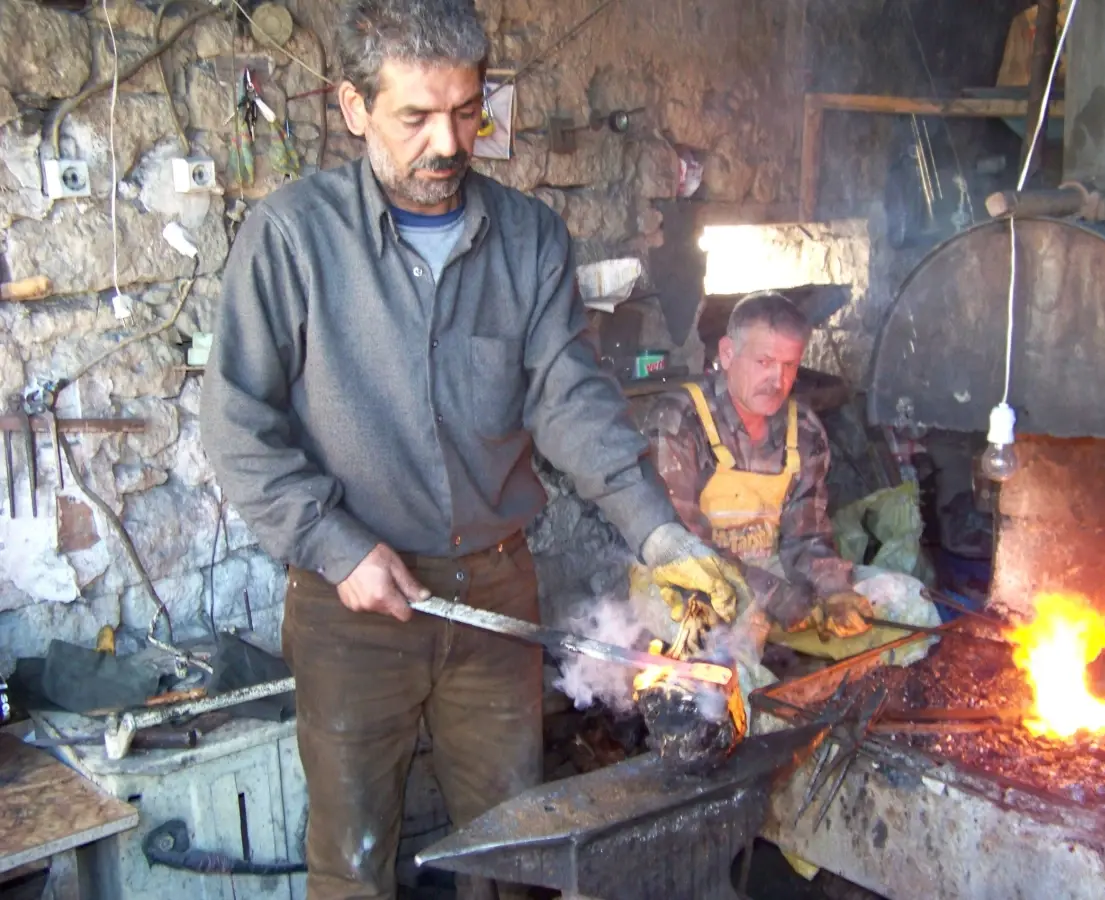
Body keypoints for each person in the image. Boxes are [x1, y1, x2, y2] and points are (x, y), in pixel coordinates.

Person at [198, 1, 748, 898]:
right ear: (352, 108)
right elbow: (236, 426)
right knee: (355, 852)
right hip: (351, 605)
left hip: (492, 586)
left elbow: (569, 399)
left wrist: (659, 536)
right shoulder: (291, 238)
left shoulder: (529, 238)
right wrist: (338, 549)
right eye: (415, 117)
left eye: (466, 110)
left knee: (511, 845)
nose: (447, 142)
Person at [642, 291, 874, 645]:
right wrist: (772, 595)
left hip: (768, 569)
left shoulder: (805, 430)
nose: (777, 380)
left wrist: (833, 590)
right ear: (727, 354)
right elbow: (680, 542)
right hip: (688, 577)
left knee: (900, 600)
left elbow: (806, 537)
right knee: (724, 653)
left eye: (789, 365)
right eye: (764, 362)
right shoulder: (681, 421)